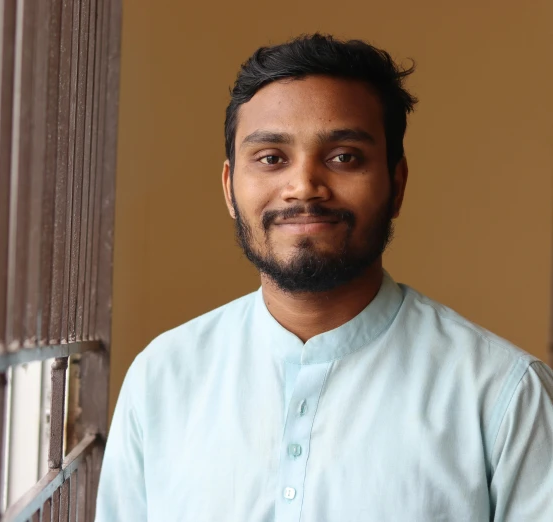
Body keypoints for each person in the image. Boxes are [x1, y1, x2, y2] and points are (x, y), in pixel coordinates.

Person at [95, 34, 553, 522]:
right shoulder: (162, 377)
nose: (303, 187)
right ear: (230, 188)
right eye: (271, 158)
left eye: (343, 157)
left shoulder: (503, 393)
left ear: (396, 185)